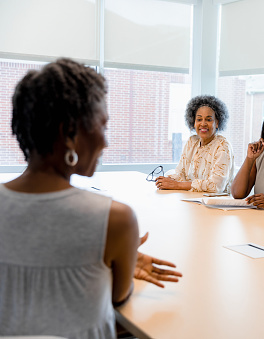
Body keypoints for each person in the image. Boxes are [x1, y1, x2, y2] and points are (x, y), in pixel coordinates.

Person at [0, 58, 182, 338]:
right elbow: (116, 301)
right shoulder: (115, 219)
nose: (106, 142)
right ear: (69, 132)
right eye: (103, 126)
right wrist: (120, 264)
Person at [155, 95, 234, 193]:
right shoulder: (192, 142)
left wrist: (177, 185)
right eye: (199, 119)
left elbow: (216, 186)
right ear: (193, 122)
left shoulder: (223, 146)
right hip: (191, 200)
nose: (203, 124)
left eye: (209, 119)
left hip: (215, 205)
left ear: (217, 123)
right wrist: (167, 180)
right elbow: (180, 173)